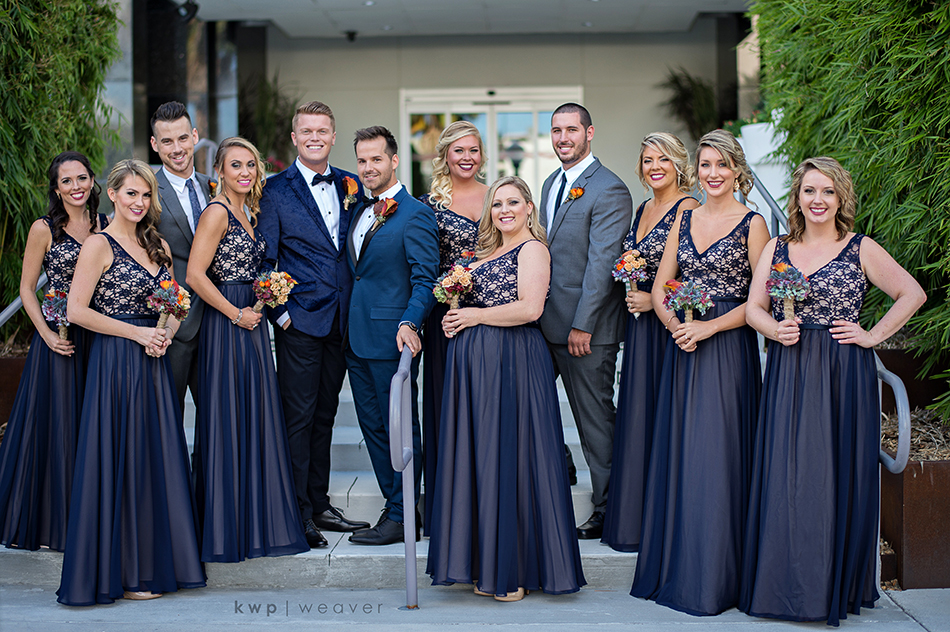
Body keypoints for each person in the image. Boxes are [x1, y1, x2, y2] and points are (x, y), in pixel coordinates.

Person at [740, 157, 926, 625]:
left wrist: (872, 335)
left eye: (827, 191)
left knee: (833, 474)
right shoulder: (778, 247)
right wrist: (774, 329)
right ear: (798, 198)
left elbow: (912, 293)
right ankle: (782, 586)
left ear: (841, 197)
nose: (818, 200)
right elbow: (754, 308)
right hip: (790, 369)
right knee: (787, 474)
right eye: (809, 191)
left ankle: (830, 588)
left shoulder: (860, 247)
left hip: (844, 372)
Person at [630, 129, 769, 615]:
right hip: (682, 350)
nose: (712, 173)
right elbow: (662, 287)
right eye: (706, 164)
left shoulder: (753, 224)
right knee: (683, 454)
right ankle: (682, 566)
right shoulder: (684, 217)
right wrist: (676, 326)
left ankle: (720, 576)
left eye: (722, 165)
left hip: (728, 352)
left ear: (737, 171)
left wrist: (708, 328)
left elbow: (761, 299)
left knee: (720, 456)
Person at [427, 176, 585, 601]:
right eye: (497, 204)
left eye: (513, 202)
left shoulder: (533, 249)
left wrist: (474, 317)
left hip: (512, 362)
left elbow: (530, 308)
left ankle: (513, 571)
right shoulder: (485, 253)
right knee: (483, 460)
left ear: (529, 207)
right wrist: (455, 316)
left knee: (511, 459)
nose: (505, 211)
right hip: (476, 366)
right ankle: (485, 564)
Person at [57, 159, 205, 605]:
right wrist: (138, 333)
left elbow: (177, 304)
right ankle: (120, 573)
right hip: (115, 365)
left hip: (152, 363)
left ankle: (149, 567)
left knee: (151, 462)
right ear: (113, 194)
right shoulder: (98, 245)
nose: (139, 202)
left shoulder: (157, 244)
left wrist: (165, 333)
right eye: (131, 193)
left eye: (145, 195)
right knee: (120, 460)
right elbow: (76, 311)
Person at [185, 137, 308, 562]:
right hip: (226, 324)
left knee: (253, 415)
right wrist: (235, 314)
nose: (244, 172)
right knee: (227, 417)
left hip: (251, 324)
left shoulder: (249, 212)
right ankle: (225, 529)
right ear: (219, 171)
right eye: (235, 165)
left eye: (251, 165)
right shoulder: (217, 212)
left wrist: (262, 299)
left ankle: (255, 519)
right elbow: (195, 275)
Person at [258, 101, 369, 548]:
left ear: (333, 136)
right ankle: (297, 513)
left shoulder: (351, 183)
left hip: (343, 319)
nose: (315, 137)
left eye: (322, 130)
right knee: (298, 419)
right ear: (294, 138)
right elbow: (264, 260)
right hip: (300, 321)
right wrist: (281, 314)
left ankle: (320, 504)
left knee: (325, 414)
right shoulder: (273, 191)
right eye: (307, 131)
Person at [0, 152, 107, 551]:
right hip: (59, 339)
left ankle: (91, 516)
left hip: (98, 336)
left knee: (92, 426)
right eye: (67, 181)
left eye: (82, 178)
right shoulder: (43, 229)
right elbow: (27, 289)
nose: (76, 186)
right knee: (60, 427)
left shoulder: (107, 223)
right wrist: (45, 335)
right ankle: (56, 525)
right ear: (57, 189)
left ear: (93, 181)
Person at [538, 103, 632, 539]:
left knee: (594, 422)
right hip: (544, 323)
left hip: (586, 331)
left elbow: (602, 265)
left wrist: (583, 325)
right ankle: (560, 463)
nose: (563, 138)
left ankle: (609, 508)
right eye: (556, 130)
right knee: (526, 402)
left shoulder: (609, 189)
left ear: (589, 133)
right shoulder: (549, 183)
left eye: (571, 130)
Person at [601, 133, 698, 552]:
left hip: (668, 329)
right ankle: (634, 521)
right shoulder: (642, 208)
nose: (654, 166)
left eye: (663, 159)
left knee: (662, 419)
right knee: (638, 417)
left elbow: (699, 274)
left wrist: (655, 299)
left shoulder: (688, 207)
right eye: (647, 160)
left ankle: (663, 522)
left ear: (679, 164)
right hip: (640, 330)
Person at [345, 126, 439, 545]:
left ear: (394, 160)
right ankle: (396, 507)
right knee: (373, 428)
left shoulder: (415, 213)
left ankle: (402, 515)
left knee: (399, 428)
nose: (368, 167)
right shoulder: (358, 209)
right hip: (355, 337)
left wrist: (410, 322)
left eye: (376, 159)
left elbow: (425, 278)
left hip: (392, 339)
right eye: (362, 160)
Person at [418, 120, 487, 535]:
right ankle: (448, 507)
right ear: (444, 155)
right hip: (447, 319)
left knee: (485, 409)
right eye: (458, 150)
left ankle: (487, 499)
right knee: (447, 408)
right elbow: (422, 265)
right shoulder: (428, 205)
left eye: (473, 150)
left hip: (493, 317)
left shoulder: (498, 196)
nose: (466, 157)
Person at [150, 101, 214, 412]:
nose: (177, 149)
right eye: (167, 141)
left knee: (216, 417)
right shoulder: (146, 193)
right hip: (173, 326)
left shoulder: (212, 186)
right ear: (154, 144)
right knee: (168, 415)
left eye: (183, 138)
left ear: (195, 136)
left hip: (216, 322)